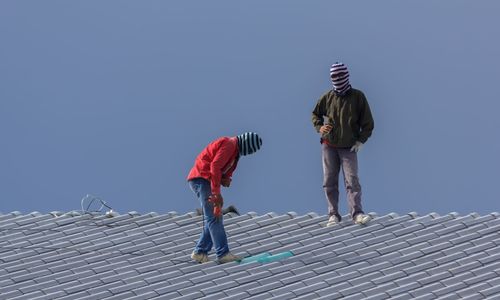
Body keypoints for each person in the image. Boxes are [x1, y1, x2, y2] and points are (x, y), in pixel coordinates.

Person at [311, 62, 374, 227]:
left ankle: (357, 213)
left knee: (352, 180)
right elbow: (315, 114)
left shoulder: (358, 97)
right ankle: (333, 214)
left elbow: (368, 122)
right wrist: (320, 127)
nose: (338, 79)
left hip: (349, 147)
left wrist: (361, 140)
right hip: (329, 145)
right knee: (329, 180)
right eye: (334, 76)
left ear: (347, 76)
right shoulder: (327, 97)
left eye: (340, 76)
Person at [187, 132, 262, 263]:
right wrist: (216, 194)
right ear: (246, 145)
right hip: (202, 179)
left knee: (214, 217)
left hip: (203, 179)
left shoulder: (235, 153)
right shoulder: (230, 145)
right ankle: (223, 253)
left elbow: (221, 168)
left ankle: (200, 251)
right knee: (214, 217)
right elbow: (215, 166)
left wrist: (225, 178)